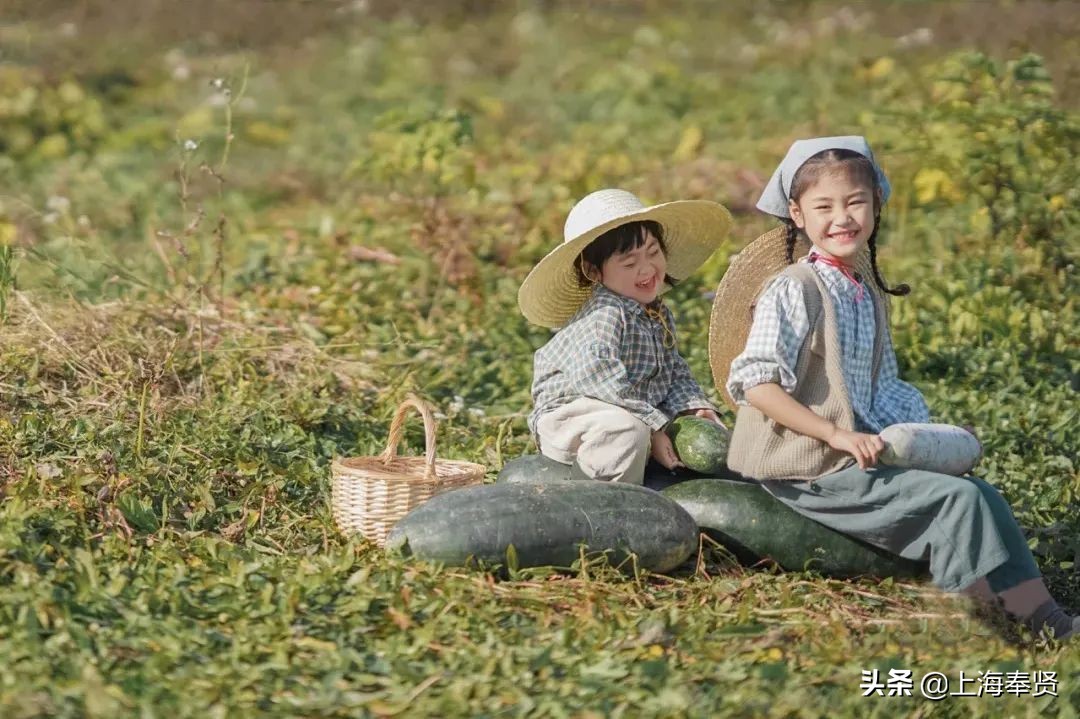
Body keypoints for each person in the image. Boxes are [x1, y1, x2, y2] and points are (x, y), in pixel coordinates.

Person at [718, 136, 1077, 640]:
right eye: (824, 207)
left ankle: (1041, 616)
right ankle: (968, 624)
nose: (842, 218)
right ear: (797, 215)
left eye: (855, 203)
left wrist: (933, 438)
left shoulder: (864, 292)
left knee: (983, 495)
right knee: (958, 503)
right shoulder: (795, 287)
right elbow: (756, 383)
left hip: (850, 455)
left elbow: (881, 391)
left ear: (876, 205)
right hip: (806, 464)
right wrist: (835, 435)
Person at [519, 188, 732, 484]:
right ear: (593, 271)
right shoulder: (604, 314)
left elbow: (673, 370)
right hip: (572, 417)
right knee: (627, 431)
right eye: (630, 263)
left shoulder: (656, 313)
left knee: (639, 428)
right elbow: (599, 380)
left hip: (628, 412)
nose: (646, 268)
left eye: (653, 252)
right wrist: (654, 427)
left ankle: (636, 472)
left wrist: (694, 407)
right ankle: (596, 506)